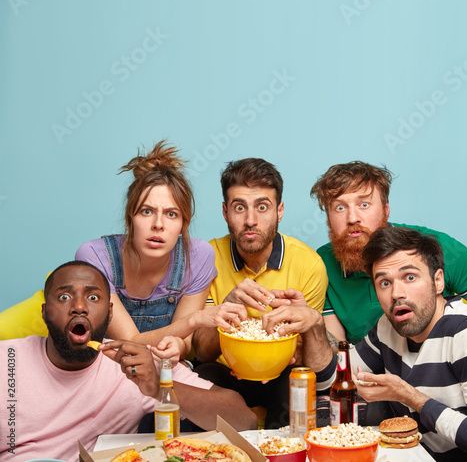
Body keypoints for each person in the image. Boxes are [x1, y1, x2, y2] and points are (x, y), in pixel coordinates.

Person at [266, 227, 467, 461]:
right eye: (384, 283)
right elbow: (334, 381)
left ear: (438, 281)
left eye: (410, 277)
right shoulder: (388, 328)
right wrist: (314, 324)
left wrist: (411, 397)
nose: (397, 293)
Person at [0, 261, 256, 462]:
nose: (79, 307)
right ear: (45, 313)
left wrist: (159, 387)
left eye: (93, 297)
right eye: (65, 297)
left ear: (110, 313)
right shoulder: (7, 359)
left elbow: (244, 421)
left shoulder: (136, 362)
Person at [192, 158, 328, 428]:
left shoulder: (308, 264)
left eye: (262, 207)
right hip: (224, 371)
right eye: (239, 207)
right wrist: (225, 308)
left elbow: (307, 356)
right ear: (224, 212)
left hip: (280, 373)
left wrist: (287, 347)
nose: (250, 220)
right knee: (204, 376)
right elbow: (201, 351)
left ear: (280, 211)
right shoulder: (206, 258)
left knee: (296, 382)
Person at [75, 140, 244, 355]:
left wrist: (178, 348)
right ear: (130, 217)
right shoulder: (95, 257)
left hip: (163, 369)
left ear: (184, 223)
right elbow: (130, 342)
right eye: (146, 211)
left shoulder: (198, 257)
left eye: (171, 214)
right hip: (108, 368)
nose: (158, 224)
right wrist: (194, 320)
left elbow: (184, 343)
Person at [310, 161, 467, 343]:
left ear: (386, 210)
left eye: (364, 204)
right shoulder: (320, 265)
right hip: (367, 370)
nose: (352, 218)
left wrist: (452, 344)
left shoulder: (433, 245)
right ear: (328, 217)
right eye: (340, 207)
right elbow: (336, 350)